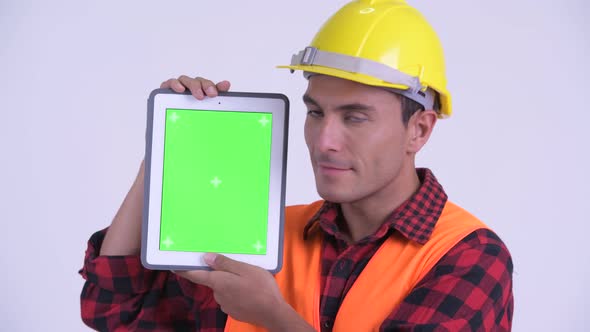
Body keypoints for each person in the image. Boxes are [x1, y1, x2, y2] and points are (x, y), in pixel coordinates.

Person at [79, 0, 513, 331]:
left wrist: (271, 316)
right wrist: (164, 146)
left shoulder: (469, 256)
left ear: (419, 129)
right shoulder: (263, 236)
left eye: (355, 117)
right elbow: (115, 311)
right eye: (316, 112)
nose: (324, 141)